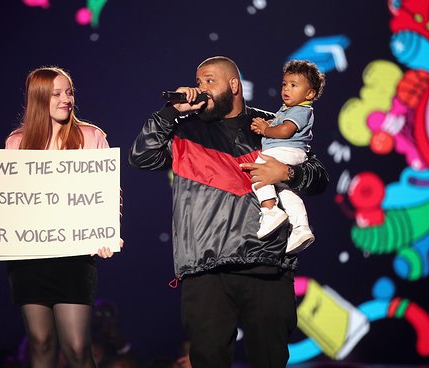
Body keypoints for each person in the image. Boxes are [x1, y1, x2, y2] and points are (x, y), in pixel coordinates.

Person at [128, 56, 328, 368]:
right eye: (198, 83)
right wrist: (170, 113)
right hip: (207, 270)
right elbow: (141, 156)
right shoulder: (183, 132)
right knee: (208, 359)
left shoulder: (272, 125)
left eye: (209, 81)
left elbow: (318, 176)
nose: (201, 89)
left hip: (266, 267)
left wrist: (287, 173)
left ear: (234, 85)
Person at [0, 66, 119, 368]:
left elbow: (109, 192)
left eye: (70, 92)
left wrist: (109, 232)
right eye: (57, 94)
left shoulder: (91, 136)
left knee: (76, 346)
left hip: (75, 254)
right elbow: (7, 196)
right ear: (38, 99)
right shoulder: (17, 142)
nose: (67, 99)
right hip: (29, 256)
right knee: (41, 343)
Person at [250, 59, 326, 254]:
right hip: (289, 153)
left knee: (259, 168)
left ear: (309, 93)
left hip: (289, 153)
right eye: (285, 84)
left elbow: (284, 131)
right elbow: (280, 124)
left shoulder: (301, 110)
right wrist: (267, 124)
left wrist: (267, 129)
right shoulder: (288, 110)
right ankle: (301, 228)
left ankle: (270, 210)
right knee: (287, 192)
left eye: (294, 85)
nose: (286, 89)